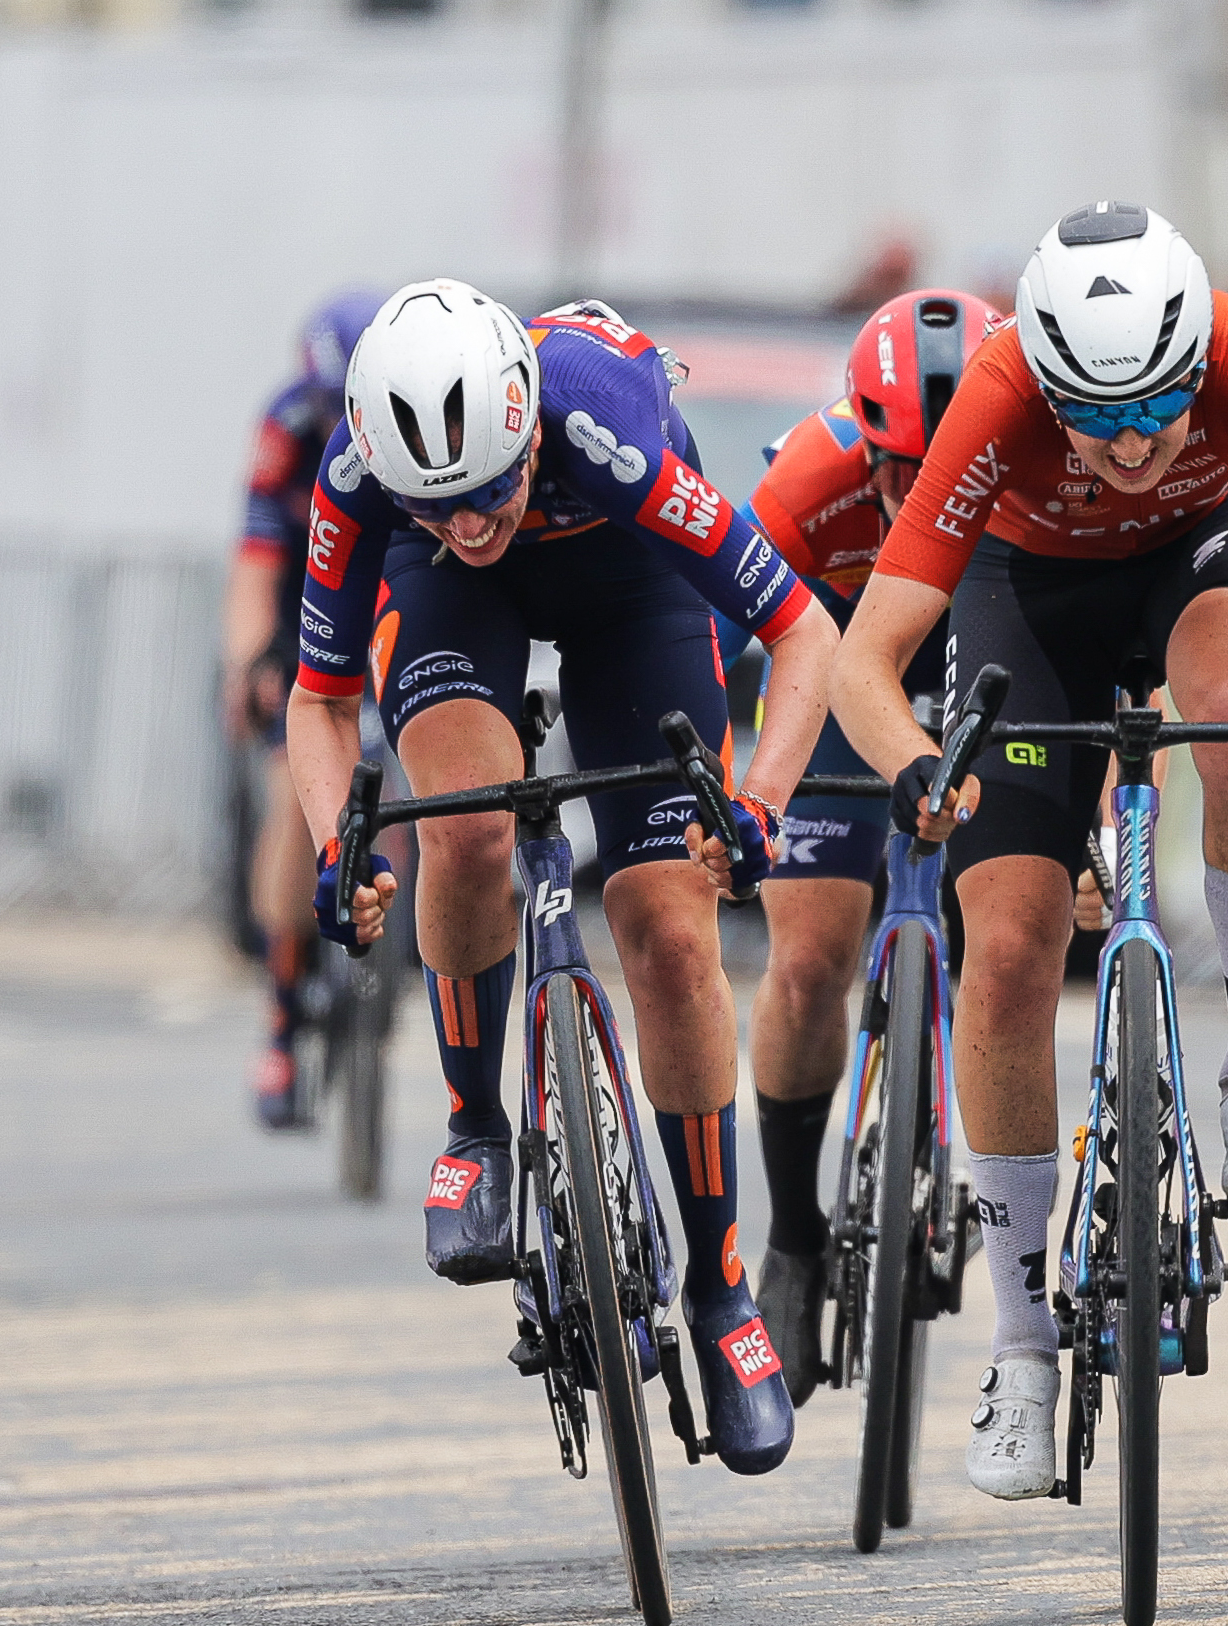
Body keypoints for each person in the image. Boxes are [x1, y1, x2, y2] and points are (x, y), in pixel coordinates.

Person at [830, 202, 1228, 1502]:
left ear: (1196, 362)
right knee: (1012, 951)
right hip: (1028, 596)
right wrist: (920, 772)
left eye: (1159, 410)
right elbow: (865, 661)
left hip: (1208, 561)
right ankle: (1023, 1347)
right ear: (1044, 380)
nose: (1134, 444)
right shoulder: (997, 392)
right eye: (1099, 417)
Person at [287, 282, 841, 1475]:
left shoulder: (611, 432)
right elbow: (319, 700)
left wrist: (760, 808)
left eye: (490, 488)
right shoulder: (363, 476)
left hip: (629, 588)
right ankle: (477, 1127)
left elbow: (805, 633)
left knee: (670, 929)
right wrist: (336, 844)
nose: (475, 516)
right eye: (442, 501)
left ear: (527, 427)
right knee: (471, 830)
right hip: (448, 606)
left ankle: (720, 1284)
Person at [735, 288, 1004, 1403]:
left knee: (1012, 929)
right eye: (895, 468)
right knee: (806, 966)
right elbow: (720, 646)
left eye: (940, 470)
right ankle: (795, 1235)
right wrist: (729, 794)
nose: (913, 495)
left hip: (977, 660)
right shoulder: (802, 486)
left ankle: (991, 1169)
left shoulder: (1031, 472)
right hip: (835, 677)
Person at [222, 289, 386, 1129]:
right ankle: (282, 1012)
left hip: (392, 596)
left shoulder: (406, 421)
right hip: (303, 608)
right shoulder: (284, 429)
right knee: (295, 791)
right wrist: (249, 664)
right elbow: (254, 564)